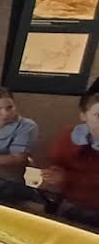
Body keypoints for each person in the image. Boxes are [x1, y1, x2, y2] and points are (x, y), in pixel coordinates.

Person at [41, 91, 99, 226]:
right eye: (98, 116)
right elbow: (55, 161)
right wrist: (53, 174)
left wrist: (67, 177)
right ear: (83, 116)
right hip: (70, 202)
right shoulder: (70, 135)